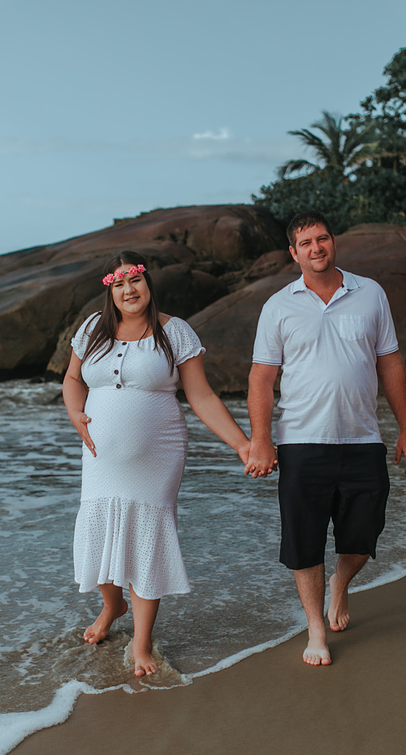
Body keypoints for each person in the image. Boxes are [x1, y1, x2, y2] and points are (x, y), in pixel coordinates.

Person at [63, 251, 251, 677]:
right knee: (98, 530)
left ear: (148, 282)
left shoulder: (175, 331)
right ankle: (113, 606)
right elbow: (73, 379)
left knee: (146, 536)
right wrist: (75, 412)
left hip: (157, 455)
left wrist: (241, 444)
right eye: (119, 284)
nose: (128, 290)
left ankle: (142, 642)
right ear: (110, 291)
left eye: (135, 281)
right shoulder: (92, 328)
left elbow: (201, 396)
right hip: (100, 457)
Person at [246, 211, 406, 667]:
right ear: (293, 253)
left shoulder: (370, 293)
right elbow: (261, 379)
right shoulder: (278, 306)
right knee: (304, 541)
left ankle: (339, 585)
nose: (316, 248)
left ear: (333, 241)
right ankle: (316, 629)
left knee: (363, 537)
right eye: (306, 243)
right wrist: (261, 439)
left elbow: (390, 363)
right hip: (301, 441)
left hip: (363, 439)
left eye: (322, 239)